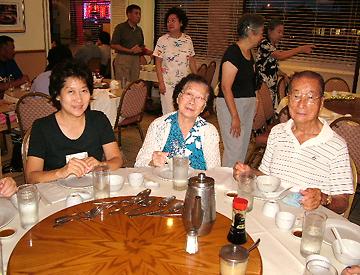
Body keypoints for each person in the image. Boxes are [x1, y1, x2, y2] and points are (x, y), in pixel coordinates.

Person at [233, 71, 353, 214]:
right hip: (273, 212)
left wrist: (322, 198)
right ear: (288, 99)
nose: (301, 104)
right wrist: (250, 173)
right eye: (296, 96)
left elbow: (342, 203)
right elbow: (267, 176)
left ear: (321, 103)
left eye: (310, 97)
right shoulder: (278, 132)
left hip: (309, 220)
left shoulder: (336, 146)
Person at [25, 60, 123, 184]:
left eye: (84, 91)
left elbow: (117, 159)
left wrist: (101, 165)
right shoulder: (42, 127)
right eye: (71, 91)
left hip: (93, 189)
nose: (79, 99)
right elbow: (31, 176)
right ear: (57, 95)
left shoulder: (98, 120)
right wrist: (62, 172)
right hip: (56, 196)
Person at [135, 74, 220, 170]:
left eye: (199, 98)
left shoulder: (210, 131)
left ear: (203, 107)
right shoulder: (159, 125)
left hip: (197, 184)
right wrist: (152, 162)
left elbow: (215, 172)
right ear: (178, 98)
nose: (192, 101)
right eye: (189, 94)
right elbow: (139, 163)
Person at [216, 14, 265, 167]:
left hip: (246, 105)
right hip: (231, 105)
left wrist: (255, 101)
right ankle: (225, 185)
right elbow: (225, 87)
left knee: (242, 148)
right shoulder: (233, 52)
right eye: (261, 33)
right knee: (234, 149)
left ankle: (235, 183)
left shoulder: (250, 53)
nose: (262, 37)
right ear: (251, 32)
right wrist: (235, 116)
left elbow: (251, 82)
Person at [256, 18, 315, 106]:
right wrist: (300, 49)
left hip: (270, 85)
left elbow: (271, 66)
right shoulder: (264, 44)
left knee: (270, 110)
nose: (281, 35)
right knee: (264, 112)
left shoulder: (272, 46)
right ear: (269, 31)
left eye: (282, 32)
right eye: (279, 32)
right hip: (262, 85)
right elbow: (280, 55)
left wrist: (283, 74)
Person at [153, 7, 197, 115]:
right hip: (167, 84)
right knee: (169, 113)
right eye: (168, 21)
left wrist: (197, 79)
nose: (170, 23)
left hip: (184, 84)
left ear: (181, 22)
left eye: (173, 20)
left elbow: (191, 60)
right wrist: (161, 83)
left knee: (183, 112)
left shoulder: (188, 40)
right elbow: (157, 63)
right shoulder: (162, 40)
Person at [111, 4, 152, 82]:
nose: (138, 16)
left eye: (139, 14)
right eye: (136, 13)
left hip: (136, 60)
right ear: (129, 15)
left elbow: (141, 46)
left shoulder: (139, 30)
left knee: (134, 84)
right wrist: (130, 50)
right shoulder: (120, 27)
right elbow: (113, 44)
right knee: (123, 84)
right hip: (123, 58)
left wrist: (148, 52)